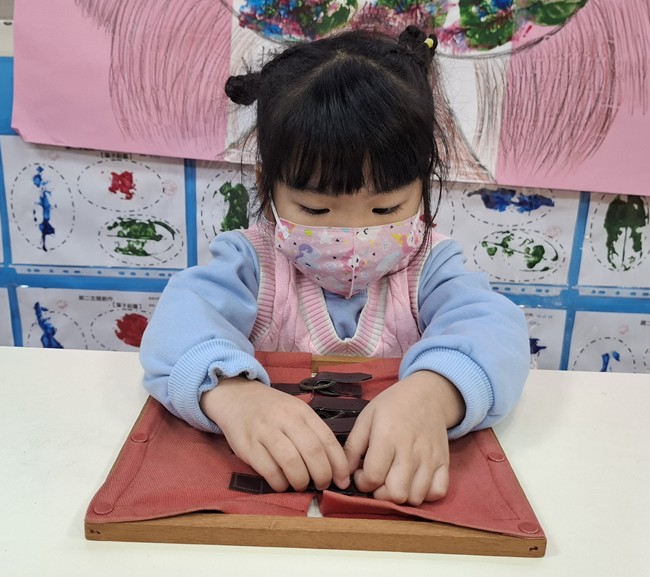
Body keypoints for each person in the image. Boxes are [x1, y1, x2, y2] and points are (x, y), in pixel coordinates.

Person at [139, 26, 530, 506]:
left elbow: (495, 331)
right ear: (267, 184)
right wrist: (232, 396)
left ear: (422, 185)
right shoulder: (250, 263)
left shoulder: (430, 266)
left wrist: (435, 394)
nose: (353, 233)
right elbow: (178, 324)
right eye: (316, 209)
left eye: (386, 209)